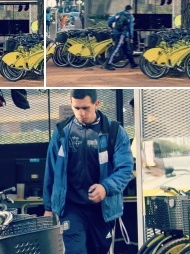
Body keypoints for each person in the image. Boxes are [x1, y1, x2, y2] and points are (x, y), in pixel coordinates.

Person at [43, 89, 133, 254]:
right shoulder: (62, 132)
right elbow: (51, 169)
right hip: (71, 208)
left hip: (102, 210)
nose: (81, 113)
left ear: (96, 104)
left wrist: (105, 188)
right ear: (71, 104)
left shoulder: (114, 131)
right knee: (75, 251)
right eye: (76, 108)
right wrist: (48, 207)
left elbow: (126, 169)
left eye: (85, 108)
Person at [104, 5, 138, 70]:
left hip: (116, 33)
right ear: (130, 10)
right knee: (116, 48)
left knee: (125, 49)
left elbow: (110, 21)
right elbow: (131, 28)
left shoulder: (118, 14)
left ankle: (132, 63)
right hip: (122, 34)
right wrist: (131, 37)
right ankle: (108, 63)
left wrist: (112, 28)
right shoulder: (130, 16)